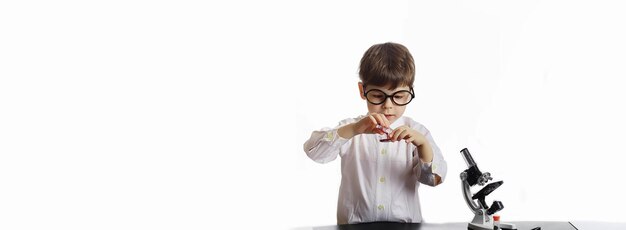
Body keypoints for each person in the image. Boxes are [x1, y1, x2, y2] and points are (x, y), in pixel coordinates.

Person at [303, 42, 447, 224]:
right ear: (362, 91)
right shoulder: (351, 128)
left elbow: (434, 179)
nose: (388, 105)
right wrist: (354, 130)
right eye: (378, 96)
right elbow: (314, 152)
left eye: (399, 96)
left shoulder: (418, 133)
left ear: (410, 91)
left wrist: (423, 145)